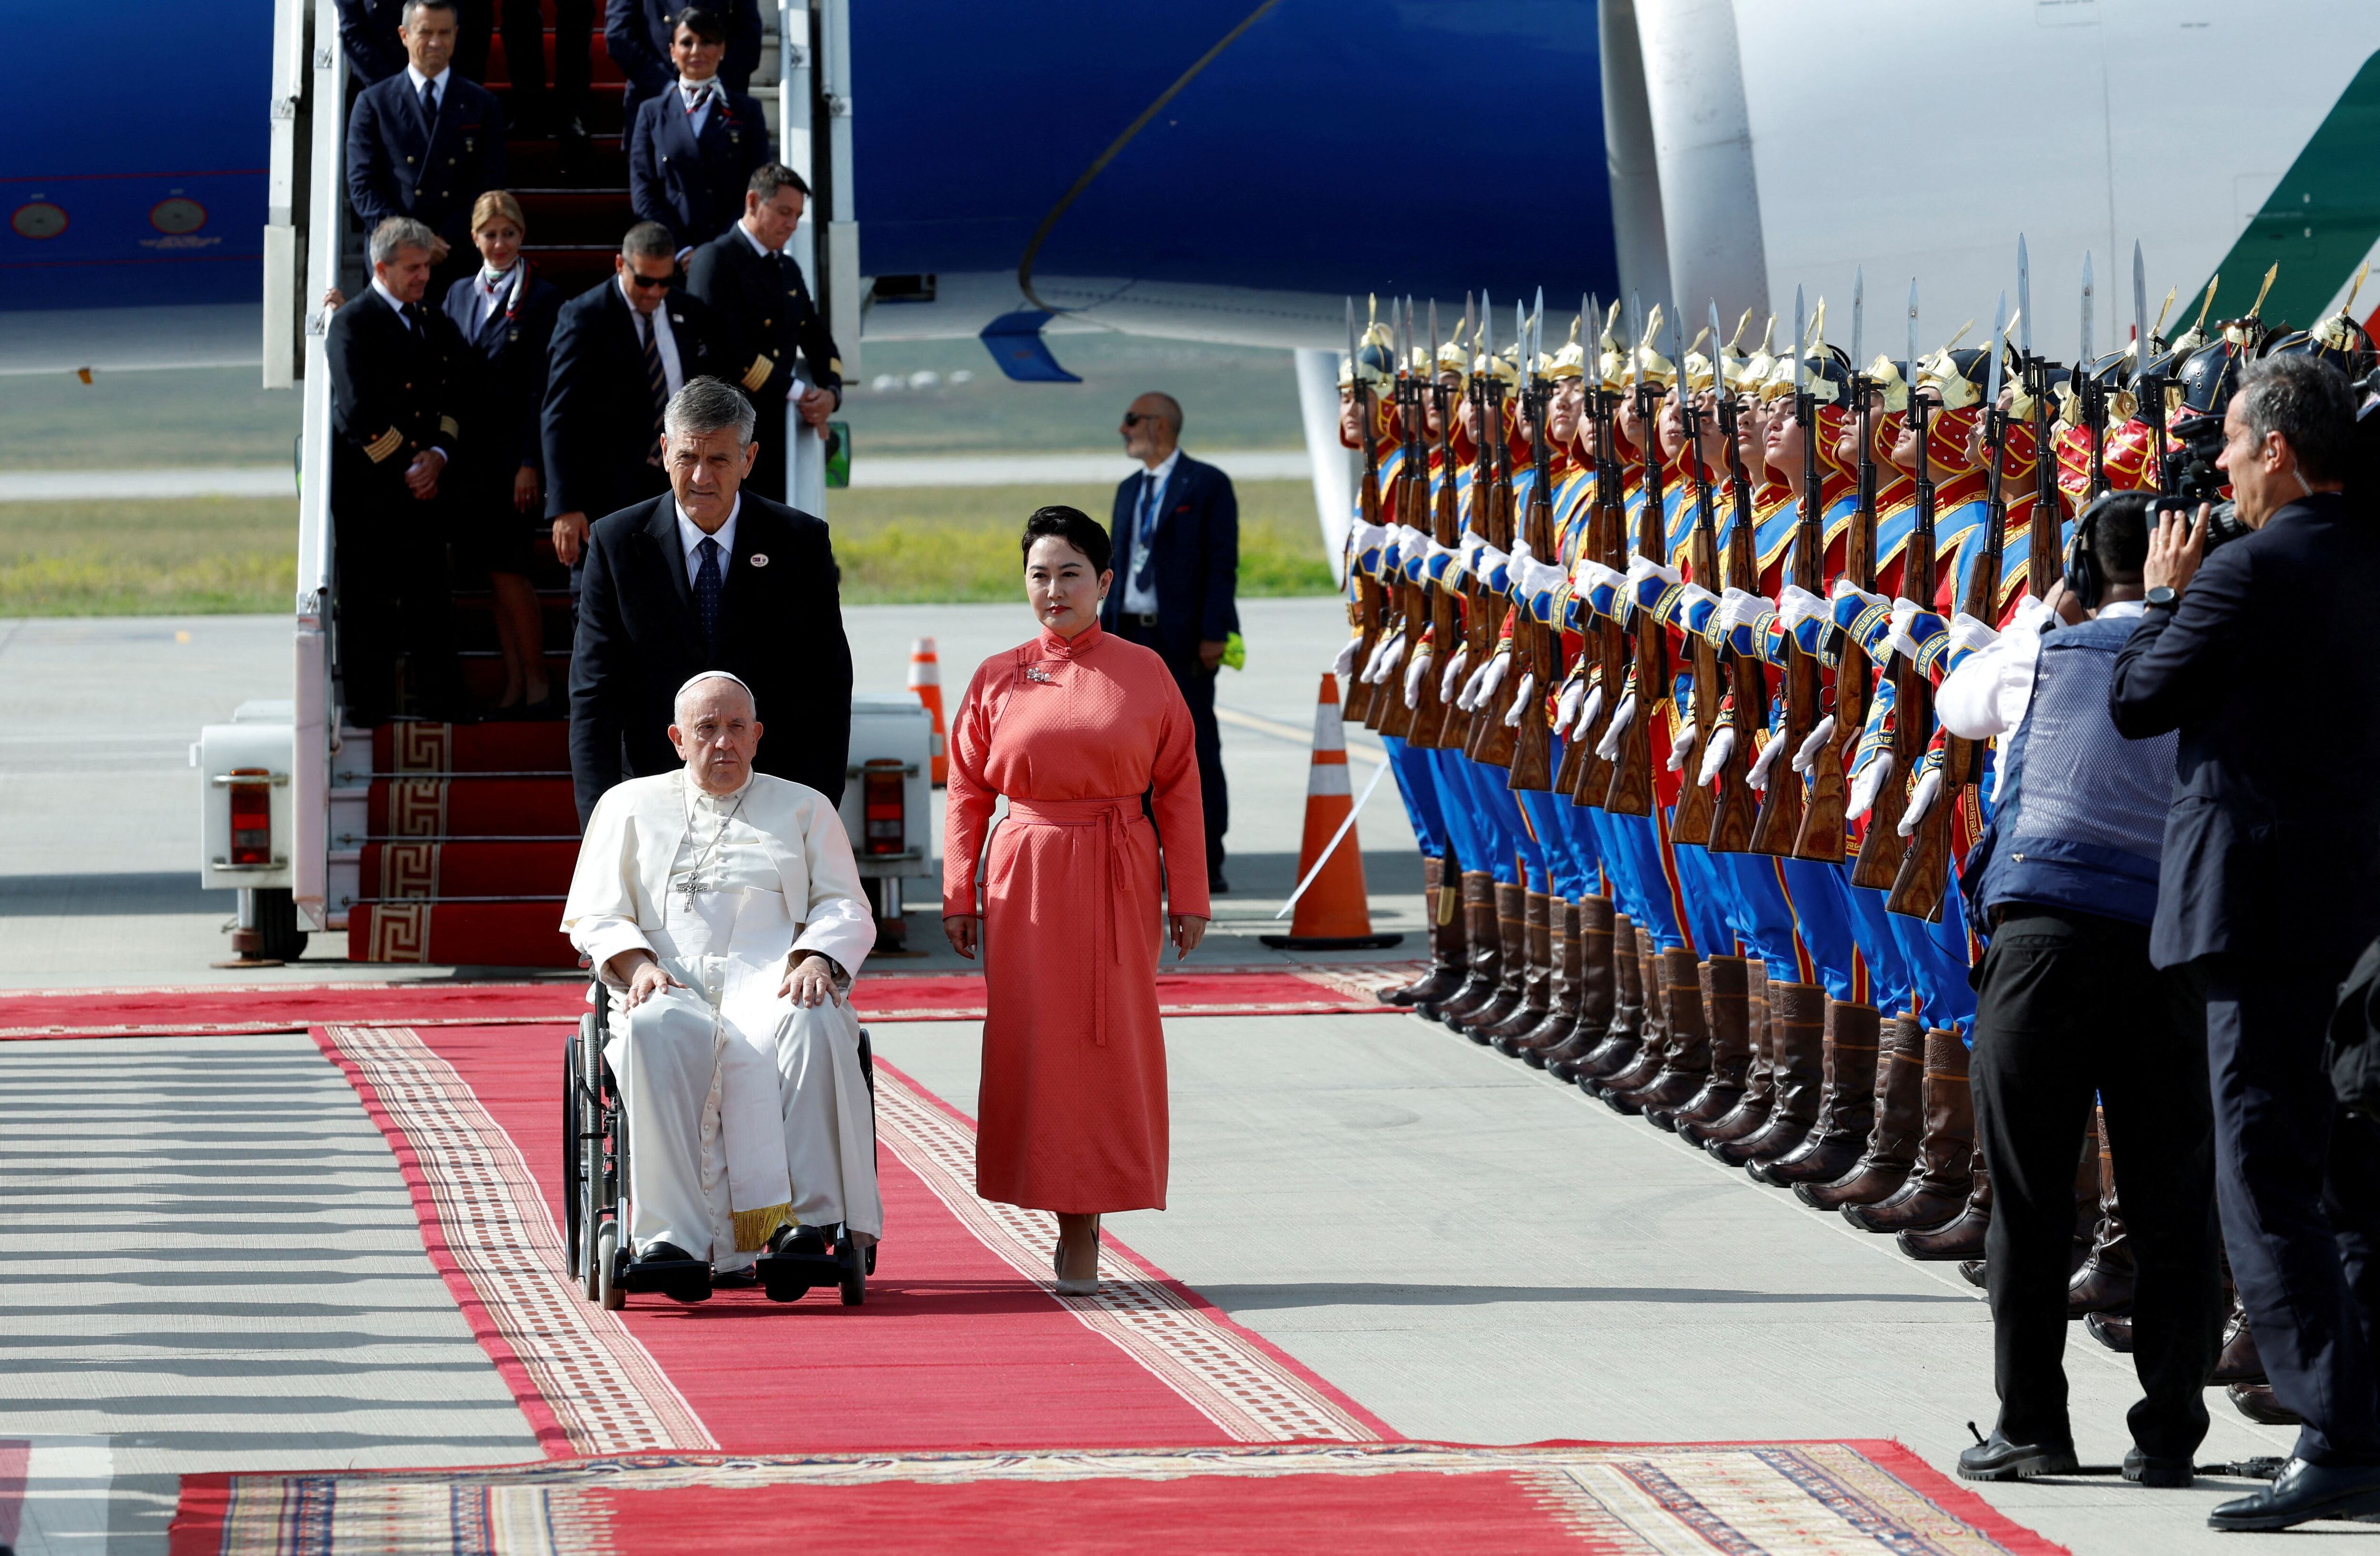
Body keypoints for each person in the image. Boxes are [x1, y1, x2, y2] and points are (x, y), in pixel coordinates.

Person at [2110, 353, 2380, 1531]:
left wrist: (2167, 594)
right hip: (2357, 903)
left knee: (2262, 1174)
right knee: (2353, 1178)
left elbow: (2137, 699)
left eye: (2228, 438)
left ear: (2276, 446)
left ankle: (2337, 1428)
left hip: (2257, 908)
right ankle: (2357, 1416)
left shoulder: (2243, 575)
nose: (2215, 462)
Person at [1934, 492, 2220, 1488]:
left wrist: (2036, 613)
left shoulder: (2038, 651)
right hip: (2163, 942)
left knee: (2028, 1190)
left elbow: (1952, 705)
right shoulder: (2203, 648)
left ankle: (2030, 1423)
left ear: (2078, 573)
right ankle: (2170, 1429)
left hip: (2042, 938)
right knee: (2171, 1193)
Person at [942, 506, 1210, 1294]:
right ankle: (1057, 1207)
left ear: (1104, 581)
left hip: (1117, 872)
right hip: (1023, 877)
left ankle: (1088, 1221)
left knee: (1105, 1043)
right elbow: (966, 788)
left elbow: (1181, 788)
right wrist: (960, 889)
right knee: (1036, 1042)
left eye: (1069, 573)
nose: (1053, 588)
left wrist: (1187, 893)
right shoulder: (998, 674)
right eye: (1038, 574)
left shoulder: (1146, 671)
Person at [562, 669, 879, 1300]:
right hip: (668, 982)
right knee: (652, 1025)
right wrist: (639, 966)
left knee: (811, 1019)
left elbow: (845, 907)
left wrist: (815, 960)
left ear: (758, 736)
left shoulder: (804, 808)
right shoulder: (626, 807)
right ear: (678, 738)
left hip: (776, 980)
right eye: (707, 729)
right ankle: (673, 1237)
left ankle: (802, 1226)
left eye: (737, 727)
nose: (723, 742)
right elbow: (596, 913)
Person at [569, 376, 852, 824]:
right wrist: (600, 825)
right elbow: (594, 697)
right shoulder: (618, 544)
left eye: (719, 459)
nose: (701, 476)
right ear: (664, 451)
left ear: (749, 459)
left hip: (772, 800)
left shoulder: (799, 543)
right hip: (652, 804)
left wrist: (815, 813)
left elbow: (826, 685)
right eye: (688, 457)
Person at [324, 216, 468, 724]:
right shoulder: (353, 323)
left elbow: (456, 393)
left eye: (426, 266)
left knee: (431, 600)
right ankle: (368, 707)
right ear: (380, 268)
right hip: (374, 491)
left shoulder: (432, 321)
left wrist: (439, 455)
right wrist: (409, 465)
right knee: (369, 605)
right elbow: (356, 409)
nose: (423, 276)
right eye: (412, 267)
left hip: (426, 486)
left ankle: (441, 702)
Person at [1100, 393, 1238, 894]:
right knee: (1131, 750)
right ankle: (1138, 856)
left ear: (1160, 426)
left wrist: (1214, 633)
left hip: (1182, 639)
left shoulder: (1205, 484)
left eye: (1131, 420)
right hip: (1130, 634)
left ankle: (1205, 858)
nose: (1123, 429)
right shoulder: (1128, 489)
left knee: (1194, 748)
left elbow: (1222, 565)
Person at [543, 222, 726, 574]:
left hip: (674, 485)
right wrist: (565, 505)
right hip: (605, 489)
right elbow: (559, 414)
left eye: (665, 281)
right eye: (644, 281)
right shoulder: (585, 316)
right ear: (619, 266)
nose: (655, 292)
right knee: (598, 598)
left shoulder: (688, 312)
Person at [440, 190, 562, 713]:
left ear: (521, 236)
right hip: (471, 463)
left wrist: (530, 461)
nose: (499, 243)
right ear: (474, 239)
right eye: (490, 234)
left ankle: (537, 679)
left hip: (515, 462)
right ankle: (515, 682)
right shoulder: (457, 296)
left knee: (512, 570)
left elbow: (544, 387)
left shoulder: (543, 298)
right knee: (492, 575)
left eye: (508, 233)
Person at [684, 163, 843, 505]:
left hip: (774, 432)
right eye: (784, 212)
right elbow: (729, 351)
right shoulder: (716, 260)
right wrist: (800, 392)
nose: (792, 224)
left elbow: (817, 338)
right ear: (753, 202)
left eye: (797, 215)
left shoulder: (786, 269)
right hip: (726, 432)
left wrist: (830, 392)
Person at [344, 0, 507, 287]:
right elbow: (363, 187)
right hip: (396, 256)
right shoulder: (374, 103)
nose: (436, 42)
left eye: (445, 33)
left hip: (456, 255)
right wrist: (413, 240)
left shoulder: (482, 104)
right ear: (404, 35)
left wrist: (446, 238)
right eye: (425, 33)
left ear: (457, 35)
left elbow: (489, 182)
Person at [627, 8, 771, 258]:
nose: (696, 51)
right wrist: (681, 250)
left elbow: (757, 188)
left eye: (707, 42)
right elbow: (643, 193)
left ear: (723, 50)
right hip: (670, 257)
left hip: (729, 255)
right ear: (672, 51)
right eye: (687, 43)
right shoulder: (651, 113)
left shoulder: (747, 112)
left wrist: (719, 251)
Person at [606, 0, 760, 114]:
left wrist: (710, 89)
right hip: (654, 98)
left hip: (720, 107)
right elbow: (619, 36)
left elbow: (748, 38)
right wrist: (667, 87)